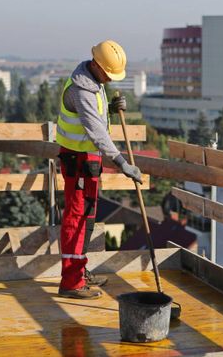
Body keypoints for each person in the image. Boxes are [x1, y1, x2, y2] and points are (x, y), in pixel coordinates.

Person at [56, 40, 142, 299]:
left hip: (88, 160)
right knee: (75, 217)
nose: (110, 79)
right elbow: (95, 132)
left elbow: (96, 119)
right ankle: (71, 282)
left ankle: (80, 272)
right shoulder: (82, 89)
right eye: (108, 73)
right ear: (95, 64)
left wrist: (112, 112)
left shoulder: (94, 82)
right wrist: (122, 163)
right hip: (77, 160)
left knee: (87, 217)